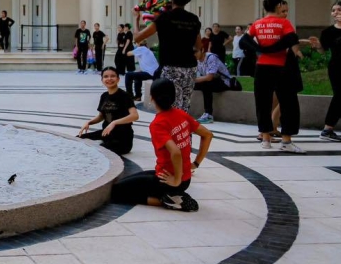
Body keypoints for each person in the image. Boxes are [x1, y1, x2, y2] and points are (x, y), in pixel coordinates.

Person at [110, 79, 212, 212]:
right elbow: (207, 135)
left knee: (116, 192)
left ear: (151, 98)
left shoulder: (158, 124)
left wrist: (176, 180)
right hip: (182, 178)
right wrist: (196, 164)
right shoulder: (181, 114)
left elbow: (175, 152)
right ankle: (173, 195)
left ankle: (168, 201)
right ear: (174, 97)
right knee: (128, 181)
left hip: (168, 181)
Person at [135, 0, 201, 113]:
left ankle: (172, 132)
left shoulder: (164, 18)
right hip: (190, 68)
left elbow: (138, 38)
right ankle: (183, 132)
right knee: (184, 106)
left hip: (170, 67)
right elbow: (198, 45)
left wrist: (137, 19)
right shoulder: (194, 19)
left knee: (170, 108)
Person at [248, 0, 302, 152]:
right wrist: (275, 49)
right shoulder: (284, 23)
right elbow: (292, 39)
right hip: (281, 66)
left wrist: (261, 49)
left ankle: (266, 139)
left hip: (262, 66)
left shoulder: (257, 24)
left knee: (262, 102)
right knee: (288, 102)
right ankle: (286, 141)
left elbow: (245, 40)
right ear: (279, 5)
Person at [77, 67, 139, 156]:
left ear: (118, 79)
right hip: (107, 133)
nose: (109, 79)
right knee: (78, 139)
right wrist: (89, 122)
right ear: (102, 80)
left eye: (113, 76)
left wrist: (114, 122)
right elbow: (101, 116)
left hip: (122, 137)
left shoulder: (125, 96)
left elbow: (135, 116)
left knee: (98, 150)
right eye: (106, 76)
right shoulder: (104, 96)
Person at [310, 1, 341, 142]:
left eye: (339, 9)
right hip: (337, 67)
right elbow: (323, 50)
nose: (336, 12)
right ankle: (328, 128)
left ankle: (328, 129)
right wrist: (317, 45)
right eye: (333, 10)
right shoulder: (328, 32)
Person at [193, 47, 231, 124]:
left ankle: (208, 114)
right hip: (212, 81)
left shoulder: (211, 57)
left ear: (202, 50)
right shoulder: (196, 60)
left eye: (196, 52)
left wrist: (193, 80)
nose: (194, 54)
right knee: (190, 86)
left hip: (224, 82)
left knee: (206, 84)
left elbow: (209, 77)